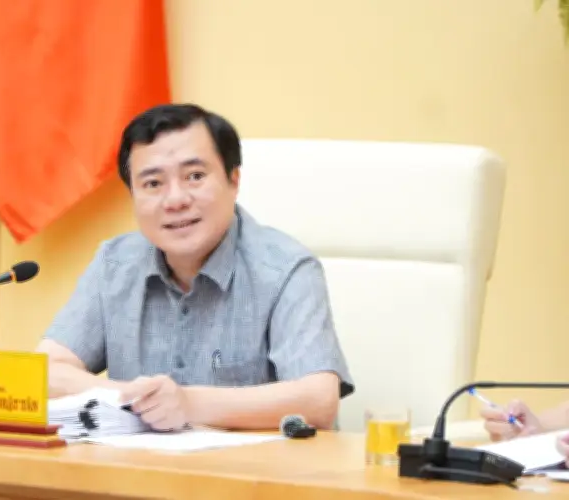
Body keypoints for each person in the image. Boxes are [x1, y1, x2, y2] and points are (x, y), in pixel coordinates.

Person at [36, 103, 354, 432]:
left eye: (195, 177)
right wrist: (137, 399)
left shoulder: (287, 269)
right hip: (137, 464)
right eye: (153, 184)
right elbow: (44, 373)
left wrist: (188, 404)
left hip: (252, 465)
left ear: (233, 180)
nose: (175, 200)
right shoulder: (114, 264)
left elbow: (318, 400)